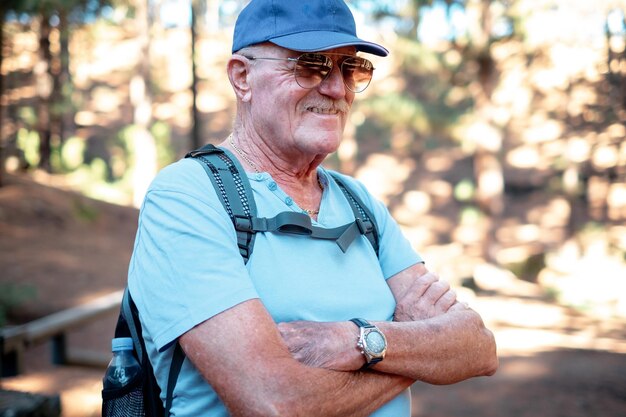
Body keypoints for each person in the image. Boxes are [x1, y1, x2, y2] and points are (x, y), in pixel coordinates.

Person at [127, 1, 498, 416]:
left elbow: (477, 346)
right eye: (310, 65)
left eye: (351, 69)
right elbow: (276, 402)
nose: (337, 89)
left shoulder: (358, 203)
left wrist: (354, 341)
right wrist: (419, 349)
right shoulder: (188, 196)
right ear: (242, 76)